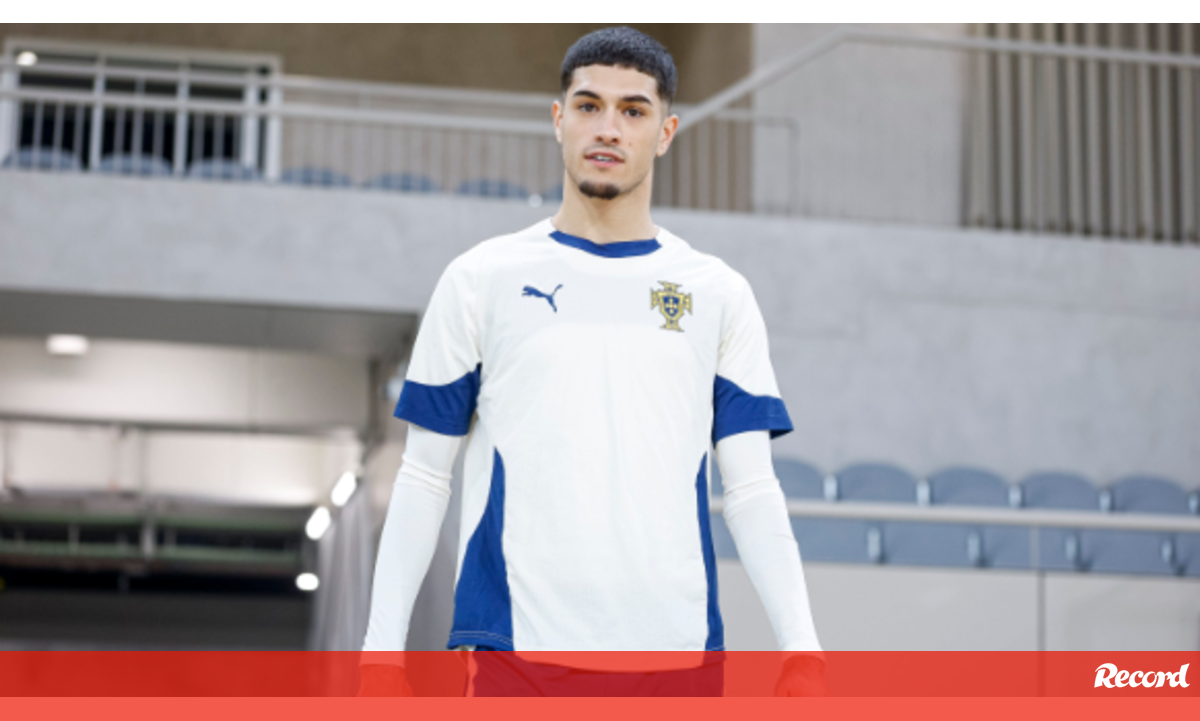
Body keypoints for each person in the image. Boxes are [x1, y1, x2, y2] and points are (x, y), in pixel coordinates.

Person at [359, 26, 824, 697]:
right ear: (559, 119)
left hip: (676, 655)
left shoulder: (718, 293)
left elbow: (751, 489)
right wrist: (380, 657)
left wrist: (802, 650)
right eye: (588, 105)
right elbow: (424, 475)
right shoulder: (479, 279)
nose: (608, 127)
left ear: (665, 132)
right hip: (515, 650)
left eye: (633, 110)